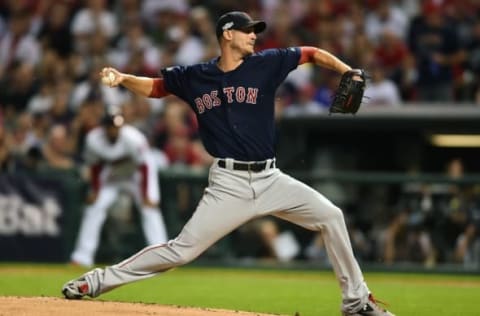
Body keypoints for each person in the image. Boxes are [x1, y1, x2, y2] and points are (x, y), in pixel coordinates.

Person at [62, 11, 395, 316]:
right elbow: (158, 88)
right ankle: (96, 281)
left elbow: (310, 53)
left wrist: (345, 70)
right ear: (227, 35)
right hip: (228, 184)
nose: (253, 36)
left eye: (255, 32)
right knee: (180, 252)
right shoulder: (197, 76)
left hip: (271, 178)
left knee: (331, 216)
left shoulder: (266, 64)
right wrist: (123, 78)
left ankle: (356, 302)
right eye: (247, 31)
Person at [69, 110, 168, 267]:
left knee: (149, 209)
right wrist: (95, 190)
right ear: (104, 127)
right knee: (94, 207)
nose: (114, 129)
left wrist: (146, 194)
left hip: (137, 176)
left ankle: (163, 258)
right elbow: (95, 166)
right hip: (112, 177)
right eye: (111, 126)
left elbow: (144, 166)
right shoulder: (93, 139)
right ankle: (82, 257)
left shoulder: (133, 138)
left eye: (117, 126)